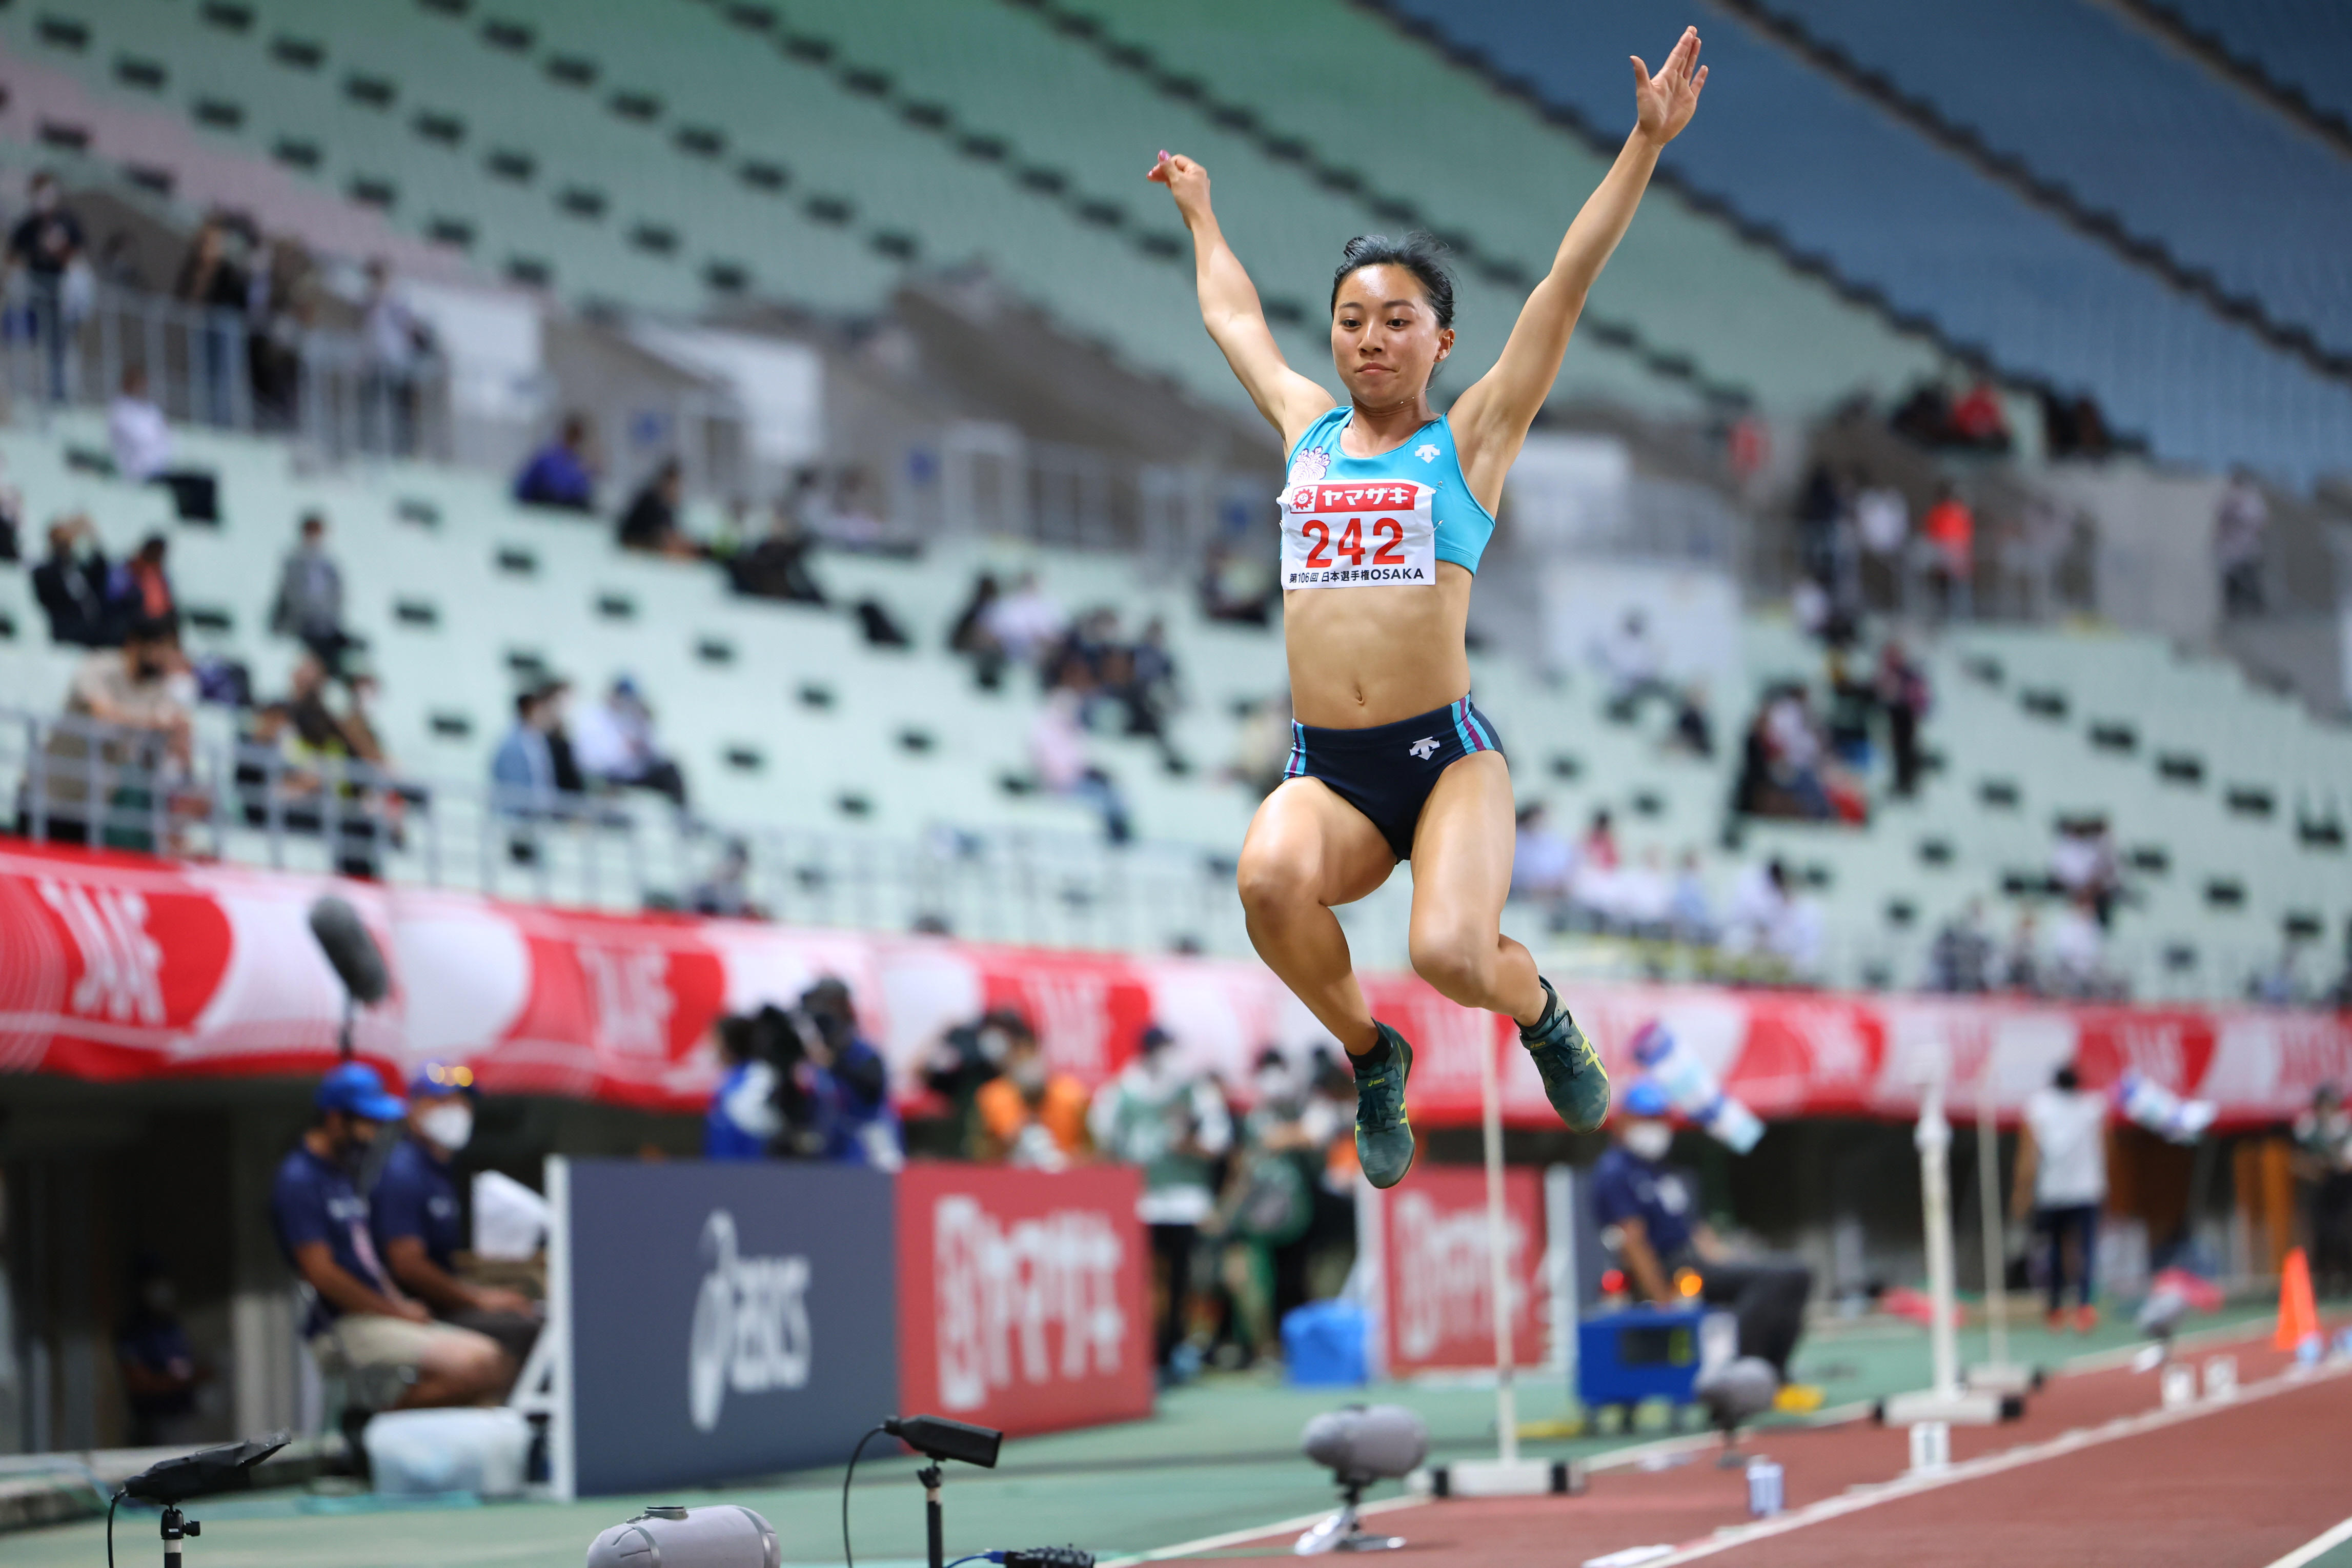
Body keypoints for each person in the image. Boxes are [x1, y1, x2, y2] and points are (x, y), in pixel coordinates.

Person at [1150, 30, 1707, 1188]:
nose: (1368, 338)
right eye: (1352, 318)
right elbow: (1232, 320)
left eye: (1395, 320)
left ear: (1439, 342)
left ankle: (1542, 1013)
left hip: (1445, 761)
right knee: (1263, 880)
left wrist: (1643, 147)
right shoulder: (1304, 434)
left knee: (1452, 949)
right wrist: (1203, 217)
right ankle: (1371, 1055)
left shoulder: (1472, 442)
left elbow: (1565, 284)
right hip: (1331, 772)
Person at [270, 1063, 507, 1408]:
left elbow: (366, 1257)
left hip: (378, 1312)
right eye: (368, 1123)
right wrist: (395, 1311)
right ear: (336, 1119)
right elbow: (320, 1272)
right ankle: (372, 1434)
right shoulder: (300, 1178)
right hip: (343, 1325)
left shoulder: (340, 1173)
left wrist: (399, 1305)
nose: (375, 1133)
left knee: (492, 1364)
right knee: (478, 1365)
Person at [1592, 1079, 1813, 1383]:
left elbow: (1692, 1227)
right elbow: (1632, 1242)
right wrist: (1663, 1303)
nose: (1656, 1126)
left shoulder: (1660, 1169)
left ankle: (1771, 1373)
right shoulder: (1616, 1172)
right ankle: (1740, 1369)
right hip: (1674, 1270)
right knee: (1778, 1278)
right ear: (1624, 1121)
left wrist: (1730, 1258)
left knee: (1793, 1276)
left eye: (1660, 1118)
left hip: (1695, 1260)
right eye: (1646, 1118)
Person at [370, 1062, 539, 1375]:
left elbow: (441, 1261)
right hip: (418, 1309)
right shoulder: (403, 1172)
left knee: (530, 1312)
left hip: (445, 1303)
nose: (457, 1110)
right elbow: (408, 1265)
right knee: (525, 1330)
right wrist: (477, 1300)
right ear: (414, 1108)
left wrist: (485, 1289)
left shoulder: (439, 1172)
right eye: (443, 1101)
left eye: (462, 1101)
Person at [1090, 1024, 1235, 1375]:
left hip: (1186, 1199)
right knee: (1146, 1279)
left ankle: (1177, 1346)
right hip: (1142, 1200)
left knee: (1185, 1279)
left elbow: (1219, 1141)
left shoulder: (1193, 1090)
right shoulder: (1119, 1092)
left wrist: (1190, 1143)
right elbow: (1105, 1143)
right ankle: (1150, 1350)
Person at [35, 616, 192, 847]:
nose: (163, 658)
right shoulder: (98, 666)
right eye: (158, 649)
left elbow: (177, 732)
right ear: (135, 645)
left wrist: (180, 735)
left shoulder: (158, 690)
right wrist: (155, 721)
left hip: (95, 806)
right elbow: (102, 715)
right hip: (50, 793)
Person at [2014, 1063, 2107, 1332]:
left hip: (2052, 1192)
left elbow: (2028, 1153)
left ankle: (2055, 1308)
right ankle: (2084, 1306)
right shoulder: (2091, 1108)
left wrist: (2022, 1190)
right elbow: (2104, 1147)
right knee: (2085, 1249)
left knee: (2055, 1250)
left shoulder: (2039, 1109)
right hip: (2086, 1190)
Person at [799, 979, 902, 1170]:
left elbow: (872, 1090)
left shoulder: (861, 1053)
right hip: (831, 1156)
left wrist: (836, 1062)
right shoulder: (816, 1060)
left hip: (868, 1155)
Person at [107, 365, 219, 521]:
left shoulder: (149, 409)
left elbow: (168, 436)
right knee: (189, 487)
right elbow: (143, 438)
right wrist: (158, 436)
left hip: (159, 467)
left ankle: (203, 525)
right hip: (140, 472)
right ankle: (191, 522)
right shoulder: (120, 410)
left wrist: (159, 437)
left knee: (205, 482)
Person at [115, 1255, 206, 1447]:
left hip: (184, 1417)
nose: (162, 1290)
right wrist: (177, 1382)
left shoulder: (172, 1326)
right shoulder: (133, 1331)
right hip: (154, 1423)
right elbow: (139, 1382)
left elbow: (196, 1366)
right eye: (154, 1283)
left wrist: (195, 1376)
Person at [8, 171, 84, 399]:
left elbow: (77, 251)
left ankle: (59, 394)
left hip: (61, 288)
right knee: (30, 342)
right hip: (34, 288)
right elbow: (12, 254)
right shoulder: (28, 225)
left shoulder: (66, 221)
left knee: (60, 344)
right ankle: (29, 392)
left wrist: (59, 249)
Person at [974, 1027, 1091, 1168]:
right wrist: (1016, 1136)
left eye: (1032, 1053)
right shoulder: (992, 1097)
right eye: (1021, 1055)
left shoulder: (1072, 1095)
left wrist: (1065, 1162)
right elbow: (981, 1153)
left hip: (1065, 1177)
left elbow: (1092, 1152)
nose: (1028, 1061)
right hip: (1010, 1178)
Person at [569, 675, 688, 807]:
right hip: (607, 775)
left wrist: (647, 725)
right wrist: (624, 749)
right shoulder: (593, 718)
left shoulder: (628, 718)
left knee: (670, 769)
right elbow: (590, 759)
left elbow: (655, 754)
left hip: (631, 774)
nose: (624, 702)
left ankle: (683, 814)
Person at [361, 258, 432, 455]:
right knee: (372, 405)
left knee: (401, 408)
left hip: (397, 361)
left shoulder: (397, 299)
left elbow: (409, 328)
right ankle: (370, 446)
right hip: (376, 360)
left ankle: (406, 449)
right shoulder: (369, 300)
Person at [271, 512, 356, 673]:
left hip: (327, 624)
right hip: (303, 624)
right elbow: (291, 592)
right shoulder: (295, 560)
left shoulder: (328, 563)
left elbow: (337, 592)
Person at [32, 514, 114, 646]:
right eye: (63, 539)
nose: (68, 542)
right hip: (66, 631)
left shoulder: (79, 569)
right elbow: (52, 595)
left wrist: (91, 537)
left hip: (91, 628)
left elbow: (102, 570)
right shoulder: (44, 572)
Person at [616, 459, 699, 558]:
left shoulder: (667, 505)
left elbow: (671, 531)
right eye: (675, 485)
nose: (677, 490)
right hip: (634, 542)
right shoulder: (650, 500)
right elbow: (660, 534)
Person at [513, 414, 596, 511]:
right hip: (535, 506)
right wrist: (586, 472)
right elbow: (558, 488)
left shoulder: (573, 459)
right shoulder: (551, 457)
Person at [1920, 483, 1974, 620]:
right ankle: (1942, 617)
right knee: (1943, 591)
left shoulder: (1959, 512)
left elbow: (1965, 535)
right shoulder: (1938, 512)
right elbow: (1932, 534)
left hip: (1957, 560)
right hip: (1943, 560)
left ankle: (1960, 618)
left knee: (1958, 591)